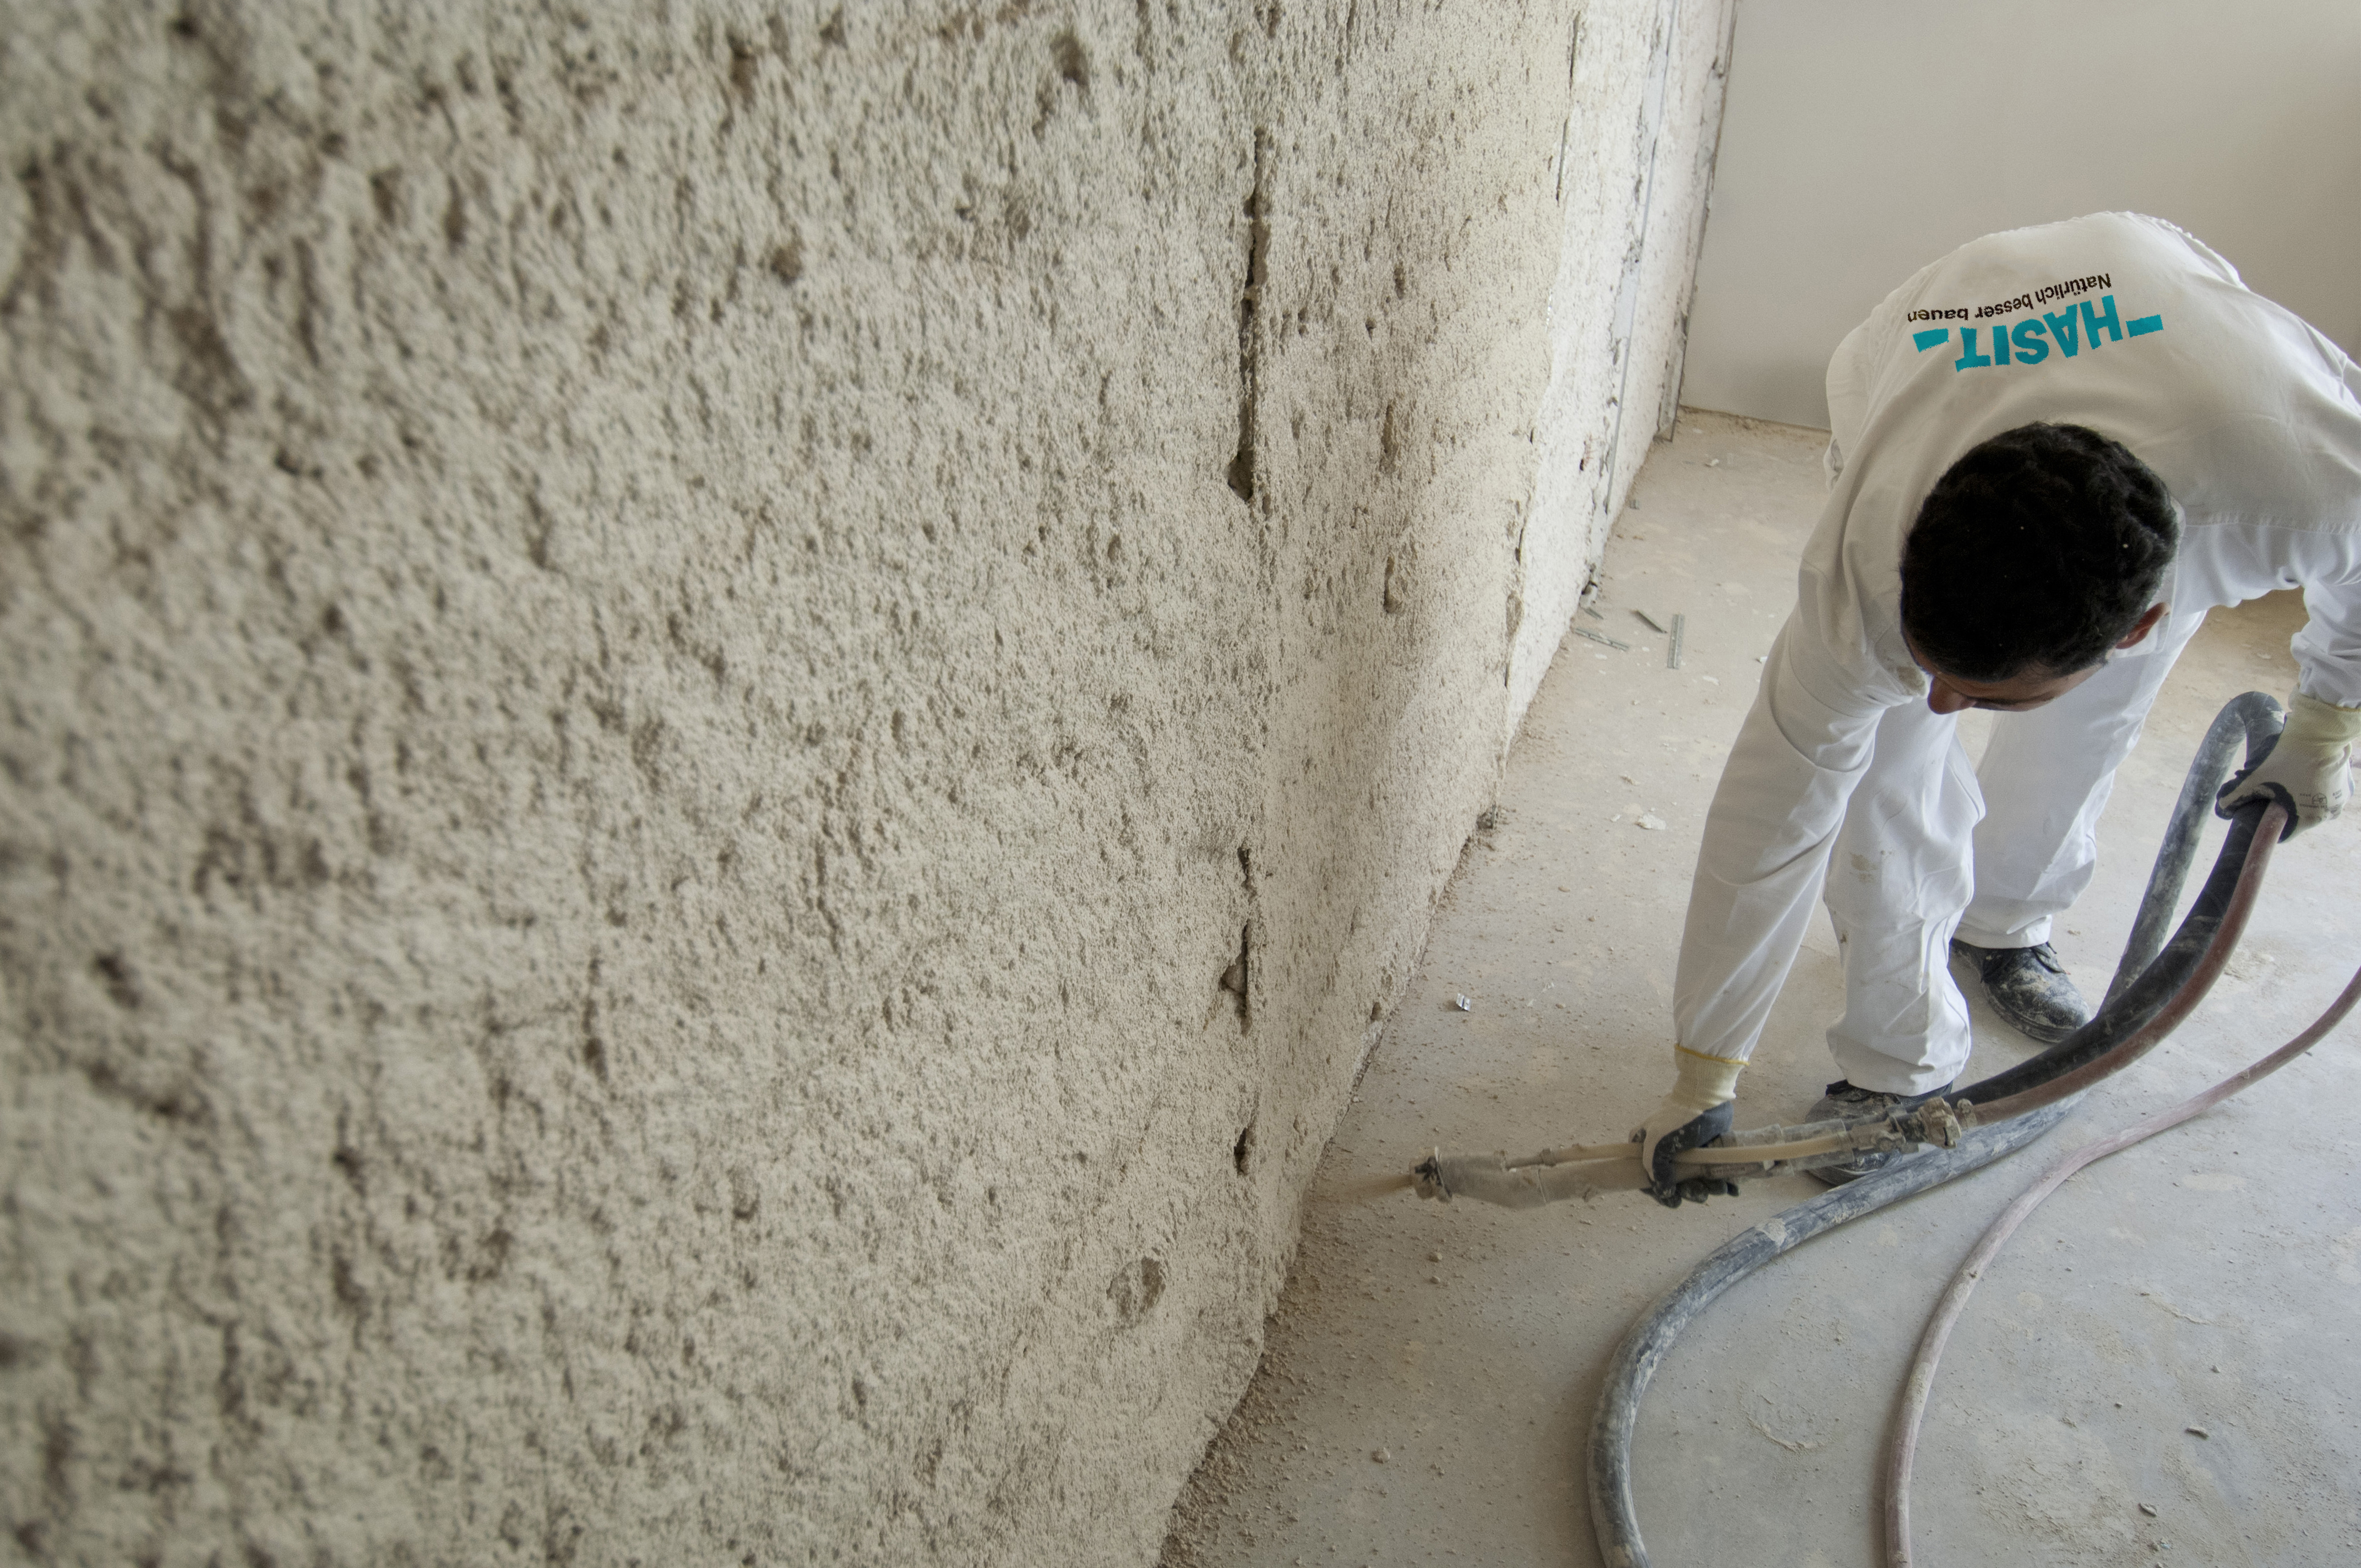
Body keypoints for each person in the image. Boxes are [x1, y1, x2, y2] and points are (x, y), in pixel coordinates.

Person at [1636, 211, 2361, 1206]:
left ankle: (2006, 920)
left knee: (2091, 724)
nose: (1945, 701)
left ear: (2140, 620)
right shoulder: (1870, 558)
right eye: (1939, 666)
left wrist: (2328, 718)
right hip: (1943, 328)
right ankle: (1902, 1061)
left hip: (2189, 341)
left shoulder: (2309, 485)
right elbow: (1773, 815)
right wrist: (1704, 1071)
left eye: (1978, 694)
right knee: (1886, 771)